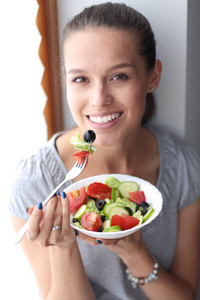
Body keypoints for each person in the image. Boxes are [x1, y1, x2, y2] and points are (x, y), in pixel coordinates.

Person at [9, 2, 200, 300]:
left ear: (152, 76)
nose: (99, 100)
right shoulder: (35, 182)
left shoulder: (182, 166)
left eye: (118, 76)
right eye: (81, 79)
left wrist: (135, 252)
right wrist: (64, 247)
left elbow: (185, 296)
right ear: (66, 81)